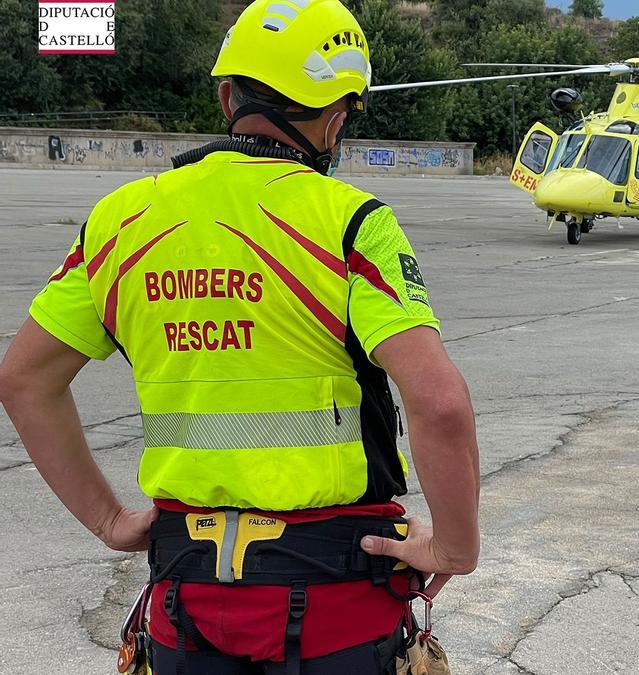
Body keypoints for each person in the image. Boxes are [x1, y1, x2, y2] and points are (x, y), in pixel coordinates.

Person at [0, 1, 480, 673]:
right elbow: (440, 401)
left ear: (228, 95)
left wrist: (108, 520)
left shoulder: (119, 221)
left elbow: (24, 378)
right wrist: (455, 549)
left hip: (185, 611)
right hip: (335, 616)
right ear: (336, 118)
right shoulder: (350, 222)